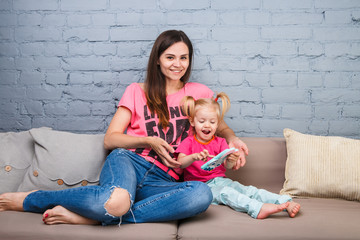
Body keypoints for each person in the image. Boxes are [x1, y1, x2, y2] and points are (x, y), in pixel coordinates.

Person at [0, 30, 249, 225]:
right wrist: (148, 141)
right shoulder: (136, 91)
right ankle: (32, 199)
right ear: (158, 61)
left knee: (200, 195)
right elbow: (111, 139)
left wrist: (233, 140)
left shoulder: (199, 93)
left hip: (166, 179)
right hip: (129, 162)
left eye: (183, 58)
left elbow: (222, 128)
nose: (177, 64)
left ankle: (94, 218)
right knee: (117, 199)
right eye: (170, 57)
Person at [175, 92, 301, 219]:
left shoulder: (221, 142)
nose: (207, 125)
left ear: (218, 124)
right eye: (202, 121)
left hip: (221, 181)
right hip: (201, 187)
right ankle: (257, 208)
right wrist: (194, 157)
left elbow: (227, 166)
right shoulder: (189, 142)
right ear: (192, 121)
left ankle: (286, 201)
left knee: (248, 190)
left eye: (212, 122)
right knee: (228, 193)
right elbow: (180, 163)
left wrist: (231, 159)